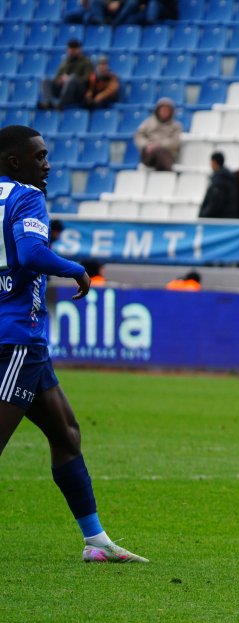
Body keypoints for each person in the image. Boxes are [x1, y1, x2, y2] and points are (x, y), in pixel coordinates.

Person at [0, 125, 147, 563]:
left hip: (27, 343)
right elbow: (30, 254)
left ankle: (95, 541)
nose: (47, 164)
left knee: (66, 434)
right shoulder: (26, 197)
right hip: (15, 339)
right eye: (40, 156)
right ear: (14, 162)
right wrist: (76, 269)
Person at [38, 40, 93, 111]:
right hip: (63, 88)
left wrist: (71, 79)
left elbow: (86, 79)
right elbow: (57, 76)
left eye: (74, 49)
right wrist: (60, 79)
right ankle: (48, 102)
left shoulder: (86, 62)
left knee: (72, 78)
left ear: (79, 50)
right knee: (45, 80)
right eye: (70, 49)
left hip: (78, 91)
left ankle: (61, 104)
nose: (71, 52)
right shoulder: (65, 62)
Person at [134, 97, 182, 172]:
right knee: (154, 153)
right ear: (157, 111)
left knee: (160, 153)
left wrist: (158, 145)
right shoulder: (148, 122)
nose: (164, 112)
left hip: (167, 154)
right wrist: (147, 144)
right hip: (149, 154)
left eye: (167, 110)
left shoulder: (176, 126)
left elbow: (174, 142)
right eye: (162, 110)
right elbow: (138, 135)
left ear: (171, 112)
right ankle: (169, 172)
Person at [198, 152, 239, 219]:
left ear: (214, 162)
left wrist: (203, 215)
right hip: (227, 218)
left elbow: (216, 202)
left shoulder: (219, 180)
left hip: (218, 220)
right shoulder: (228, 177)